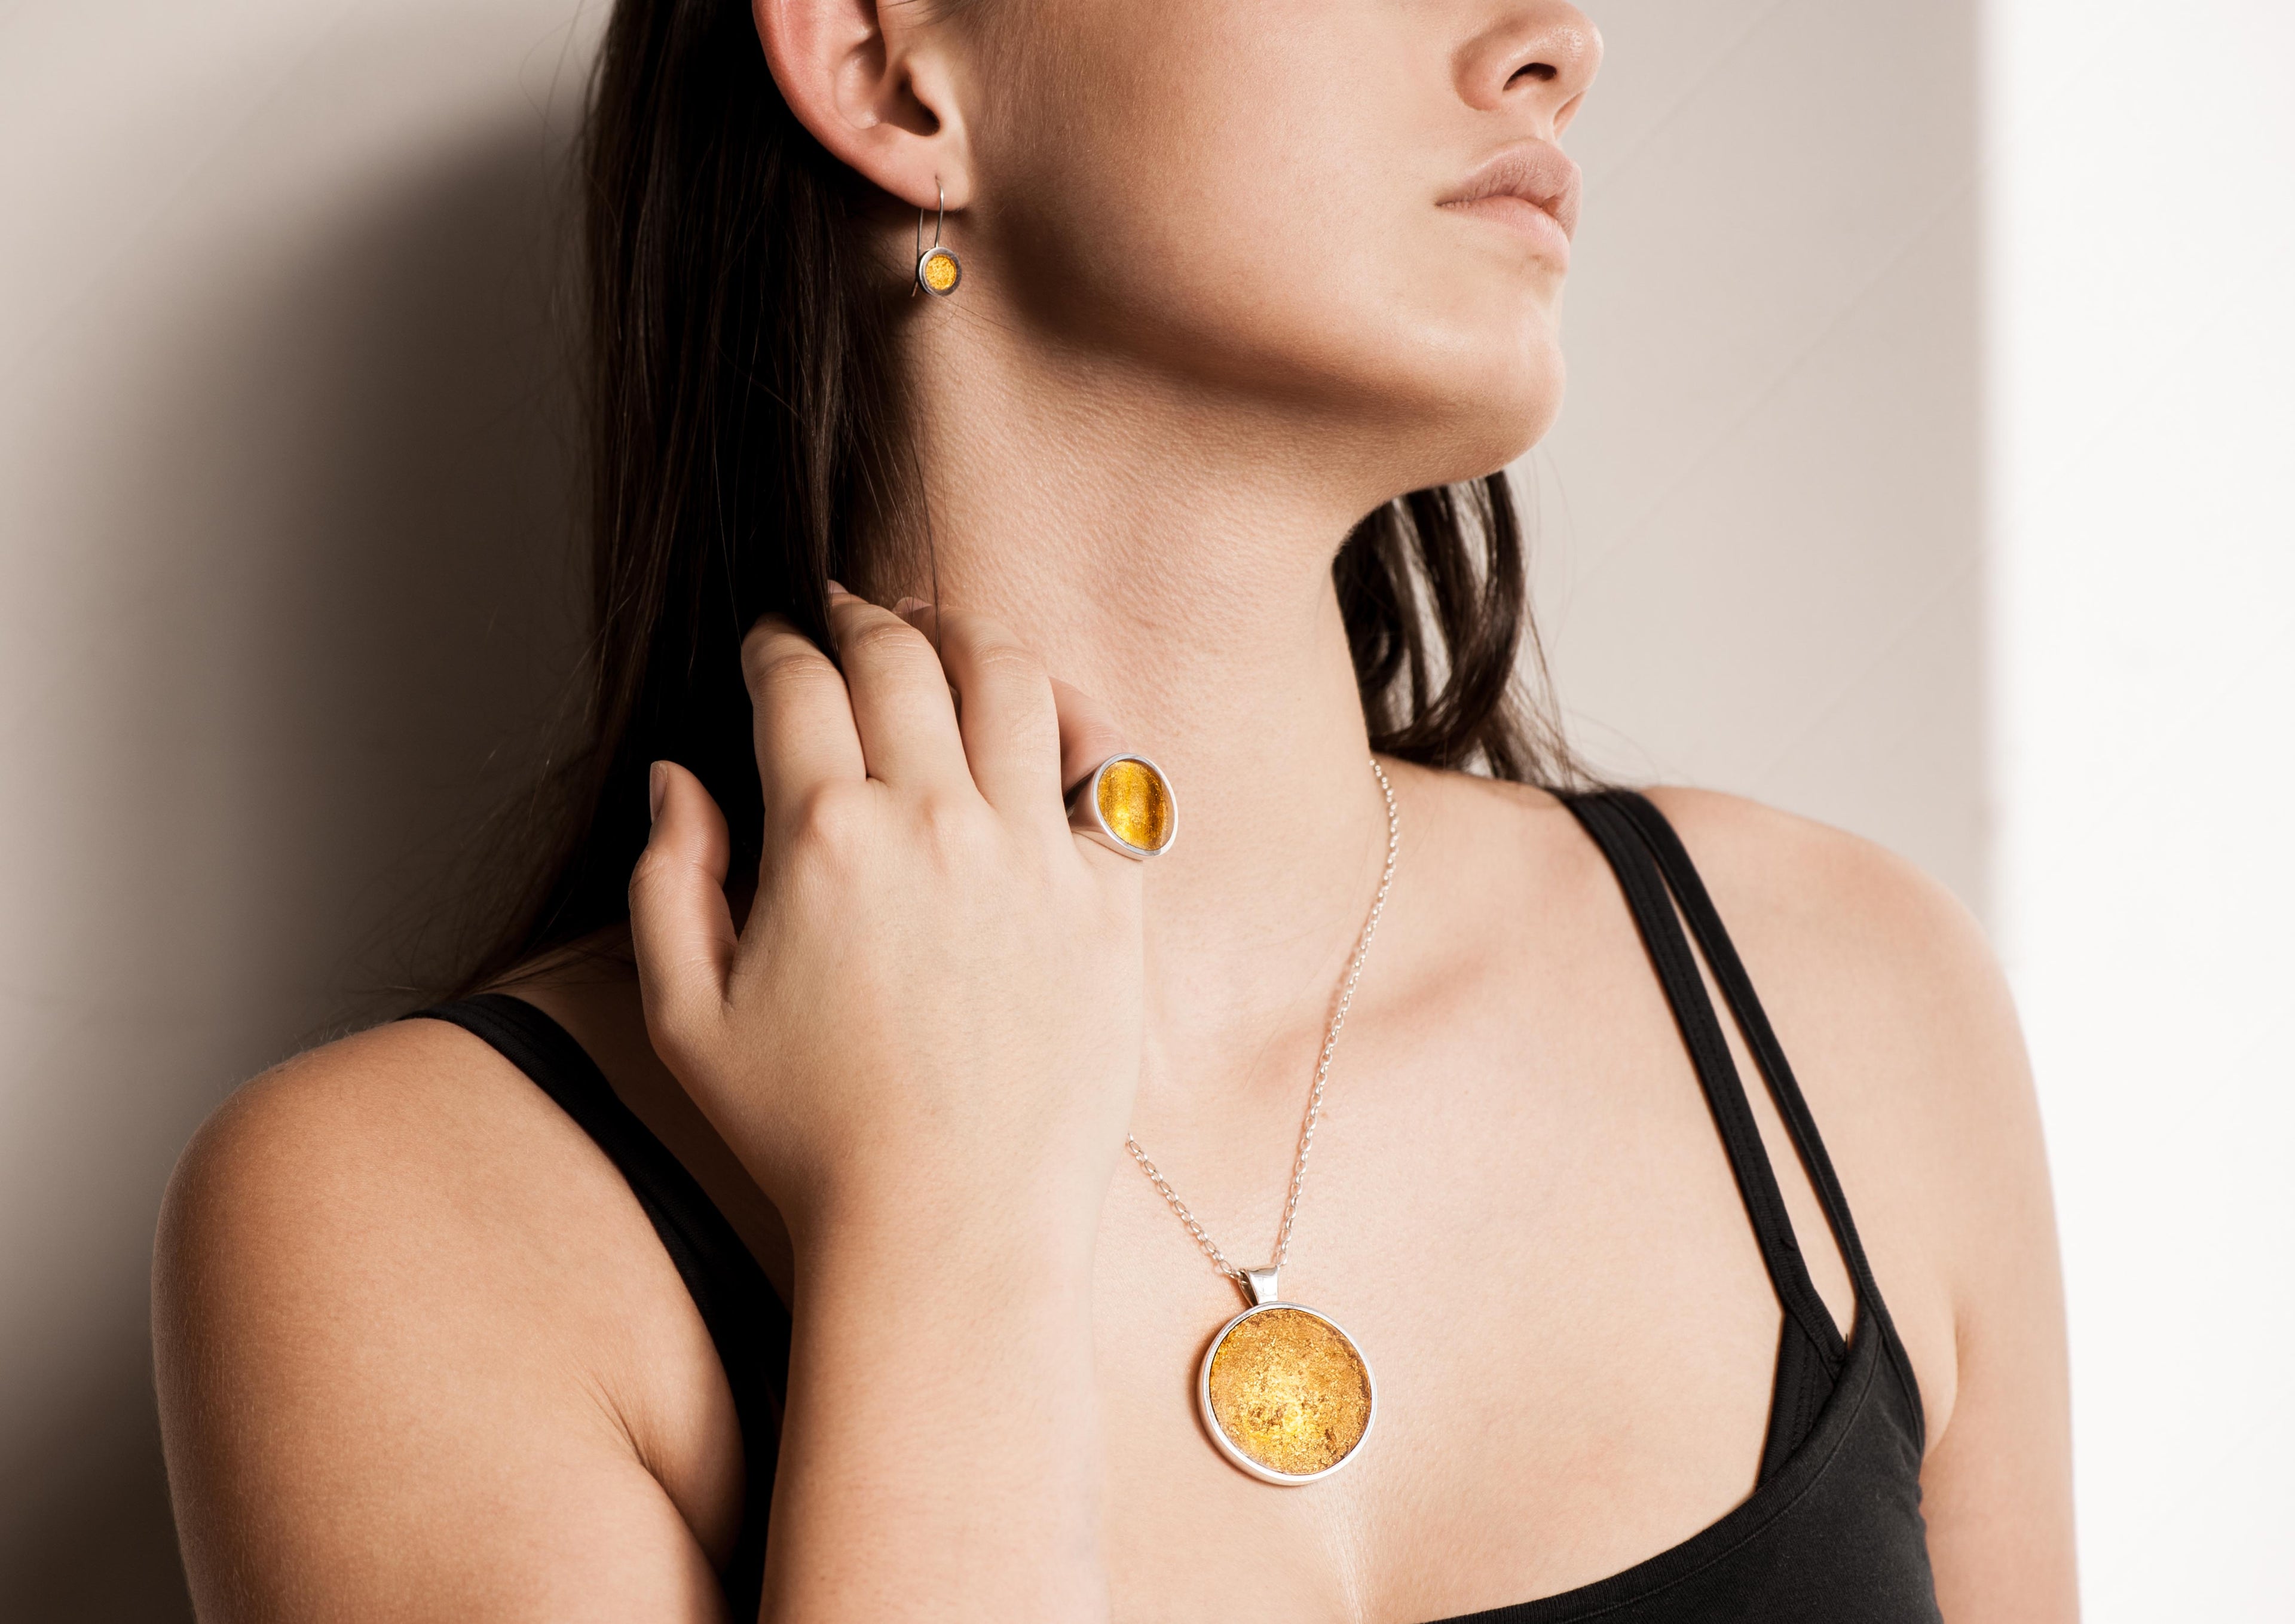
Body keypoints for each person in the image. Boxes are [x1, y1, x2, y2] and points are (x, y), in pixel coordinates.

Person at [151, 1, 2077, 1618]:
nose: (1555, 42)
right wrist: (937, 1228)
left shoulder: (1846, 1003)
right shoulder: (411, 1235)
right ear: (889, 70)